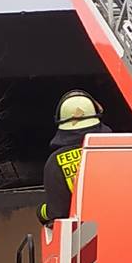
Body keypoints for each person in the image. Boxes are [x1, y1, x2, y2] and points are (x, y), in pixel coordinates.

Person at [39, 91, 104, 222]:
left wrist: (41, 212)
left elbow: (56, 212)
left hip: (81, 237)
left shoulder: (55, 162)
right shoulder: (119, 151)